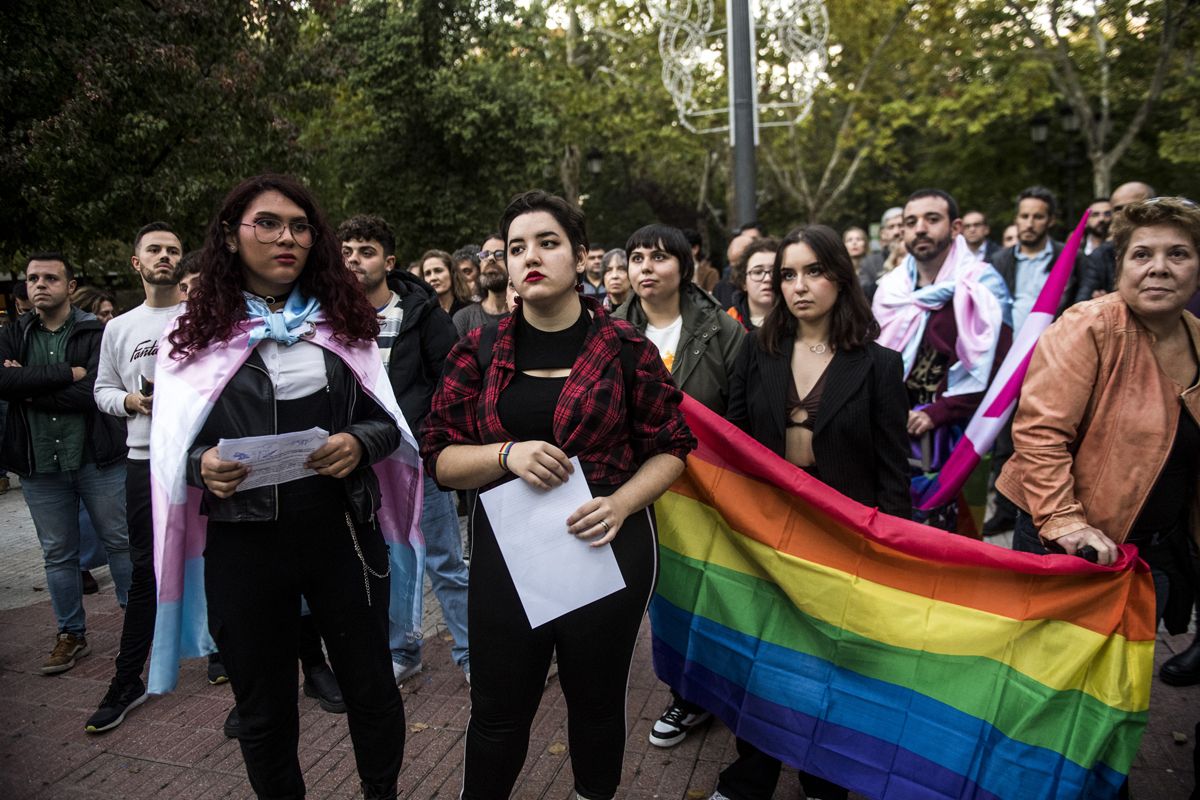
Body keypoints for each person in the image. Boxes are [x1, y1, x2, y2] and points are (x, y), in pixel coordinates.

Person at [421, 190, 693, 800]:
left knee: (595, 705)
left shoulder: (627, 349)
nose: (530, 257)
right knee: (498, 710)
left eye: (548, 243)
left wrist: (622, 503)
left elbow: (673, 446)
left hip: (607, 549)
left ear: (581, 258)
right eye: (518, 247)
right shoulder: (479, 350)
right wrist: (504, 454)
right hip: (508, 556)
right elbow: (437, 457)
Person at [157, 174, 410, 799]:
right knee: (263, 707)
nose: (286, 237)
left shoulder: (345, 324)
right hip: (243, 542)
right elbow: (172, 448)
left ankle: (382, 793)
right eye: (267, 223)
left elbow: (388, 424)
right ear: (230, 235)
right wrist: (201, 466)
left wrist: (358, 443)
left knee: (371, 685)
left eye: (300, 226)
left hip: (341, 529)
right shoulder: (192, 336)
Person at [719, 224, 911, 800]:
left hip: (844, 538)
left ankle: (825, 777)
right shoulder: (757, 350)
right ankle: (752, 771)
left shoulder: (878, 365)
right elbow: (731, 442)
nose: (799, 286)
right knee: (763, 661)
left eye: (813, 272)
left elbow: (893, 470)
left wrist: (896, 554)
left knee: (832, 664)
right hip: (767, 533)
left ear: (840, 277)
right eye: (787, 274)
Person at [996, 195, 1199, 667]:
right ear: (1120, 265)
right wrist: (1065, 520)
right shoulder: (1087, 326)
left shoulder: (1197, 336)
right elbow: (1039, 435)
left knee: (1119, 680)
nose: (1159, 268)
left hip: (1155, 550)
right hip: (1070, 546)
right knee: (1047, 674)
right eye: (1142, 254)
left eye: (1179, 254)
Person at [613, 223, 744, 747]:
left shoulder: (722, 329)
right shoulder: (607, 328)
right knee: (661, 599)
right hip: (638, 489)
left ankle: (722, 693)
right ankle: (686, 697)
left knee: (711, 595)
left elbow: (737, 418)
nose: (646, 267)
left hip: (709, 492)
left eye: (660, 258)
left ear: (684, 266)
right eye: (637, 257)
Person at [339, 213, 470, 683]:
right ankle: (404, 652)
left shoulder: (422, 315)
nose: (355, 261)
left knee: (444, 562)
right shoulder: (330, 321)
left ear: (388, 261)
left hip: (418, 462)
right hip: (363, 467)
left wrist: (432, 442)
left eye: (366, 252)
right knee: (388, 562)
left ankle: (472, 653)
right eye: (347, 252)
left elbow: (453, 386)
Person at [0, 253, 132, 674]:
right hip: (40, 463)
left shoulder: (95, 332)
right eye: (33, 278)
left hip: (96, 457)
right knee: (58, 555)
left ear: (70, 286)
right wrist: (64, 374)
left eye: (51, 278)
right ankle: (70, 634)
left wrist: (30, 384)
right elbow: (4, 383)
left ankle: (138, 626)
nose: (40, 284)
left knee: (120, 542)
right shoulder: (12, 333)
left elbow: (93, 392)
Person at [84, 222, 187, 733]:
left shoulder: (202, 317)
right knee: (145, 570)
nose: (164, 256)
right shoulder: (118, 327)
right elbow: (101, 389)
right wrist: (129, 401)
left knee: (219, 563)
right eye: (154, 249)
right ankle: (128, 681)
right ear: (137, 262)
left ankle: (225, 662)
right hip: (143, 459)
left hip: (198, 459)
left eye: (172, 250)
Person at [873, 189, 1012, 533]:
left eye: (932, 219)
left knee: (956, 540)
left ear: (955, 228)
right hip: (895, 432)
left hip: (960, 434)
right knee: (897, 532)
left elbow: (997, 369)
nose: (920, 228)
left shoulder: (981, 285)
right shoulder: (890, 290)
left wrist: (937, 413)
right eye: (911, 222)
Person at [984, 186, 1086, 534]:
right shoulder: (998, 261)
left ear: (1050, 221)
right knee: (1002, 437)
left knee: (1048, 433)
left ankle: (1041, 507)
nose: (1029, 223)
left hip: (1053, 358)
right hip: (1006, 360)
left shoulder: (1069, 259)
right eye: (1024, 216)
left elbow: (1080, 303)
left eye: (1037, 216)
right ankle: (1002, 508)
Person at [1075, 181, 1156, 302]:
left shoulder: (1176, 247)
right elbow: (1082, 302)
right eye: (1118, 209)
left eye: (1133, 206)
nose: (1125, 214)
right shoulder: (1100, 256)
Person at [453, 235, 511, 336]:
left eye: (500, 254)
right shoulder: (464, 318)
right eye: (484, 255)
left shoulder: (530, 314)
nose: (490, 258)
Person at [726, 237, 779, 331]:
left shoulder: (799, 319)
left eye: (774, 272)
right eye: (758, 272)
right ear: (743, 282)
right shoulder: (727, 323)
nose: (767, 279)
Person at [857, 207, 903, 301]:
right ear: (883, 234)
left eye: (901, 225)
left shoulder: (922, 258)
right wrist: (887, 275)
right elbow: (863, 294)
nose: (897, 232)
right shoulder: (870, 262)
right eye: (891, 227)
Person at [423, 249, 472, 316]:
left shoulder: (471, 310)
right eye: (427, 273)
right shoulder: (423, 315)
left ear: (452, 273)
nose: (433, 278)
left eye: (438, 271)